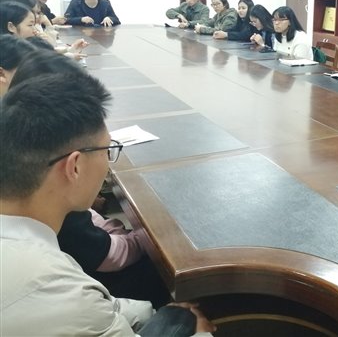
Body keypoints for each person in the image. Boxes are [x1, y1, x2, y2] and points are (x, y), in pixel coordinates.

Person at [0, 72, 215, 336]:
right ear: (75, 166)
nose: (108, 163)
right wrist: (197, 331)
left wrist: (155, 312)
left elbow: (100, 308)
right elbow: (83, 307)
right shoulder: (53, 287)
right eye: (106, 150)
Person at [8, 50, 170, 307]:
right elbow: (105, 260)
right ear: (74, 165)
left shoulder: (22, 166)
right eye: (106, 151)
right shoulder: (56, 280)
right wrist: (150, 237)